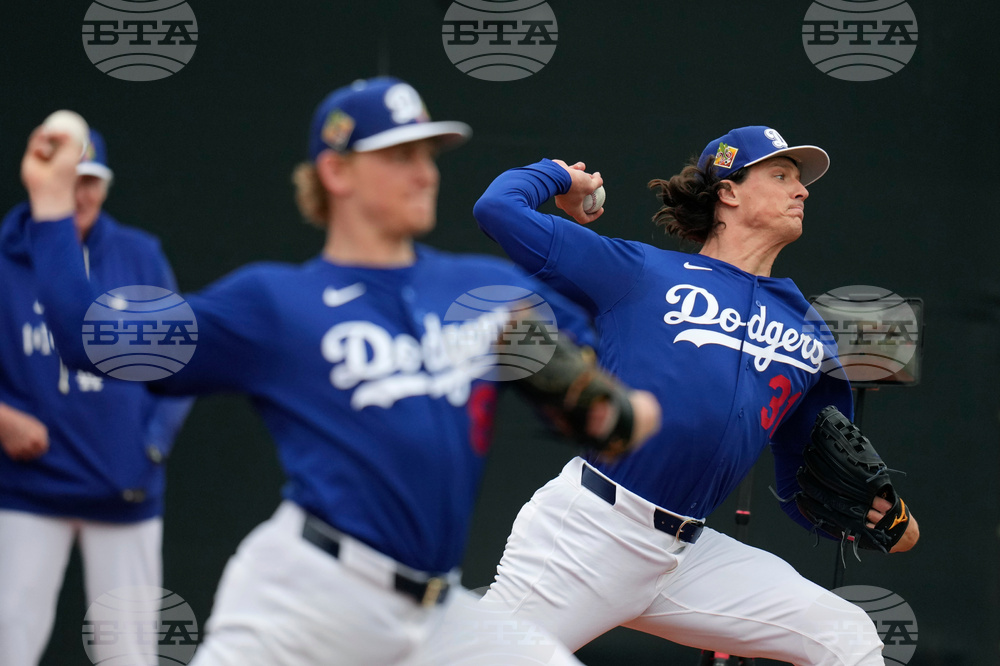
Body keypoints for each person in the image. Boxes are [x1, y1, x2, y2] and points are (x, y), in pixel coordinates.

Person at [21, 78, 660, 666]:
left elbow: (601, 404)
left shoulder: (483, 290)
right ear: (335, 171)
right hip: (305, 600)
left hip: (438, 615)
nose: (423, 175)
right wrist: (51, 210)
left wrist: (615, 413)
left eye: (428, 156)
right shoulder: (274, 305)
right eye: (398, 157)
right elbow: (89, 340)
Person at [472, 126, 920, 665]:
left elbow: (811, 484)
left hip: (684, 558)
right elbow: (498, 207)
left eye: (800, 182)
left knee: (845, 637)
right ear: (728, 191)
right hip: (588, 536)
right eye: (781, 176)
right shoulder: (638, 272)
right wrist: (561, 176)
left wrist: (880, 519)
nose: (801, 192)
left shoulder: (807, 330)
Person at [0, 129, 193, 666]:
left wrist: (152, 443)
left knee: (127, 654)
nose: (79, 195)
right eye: (69, 180)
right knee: (9, 641)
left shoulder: (138, 255)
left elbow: (179, 355)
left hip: (121, 489)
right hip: (27, 489)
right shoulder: (2, 257)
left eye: (91, 182)